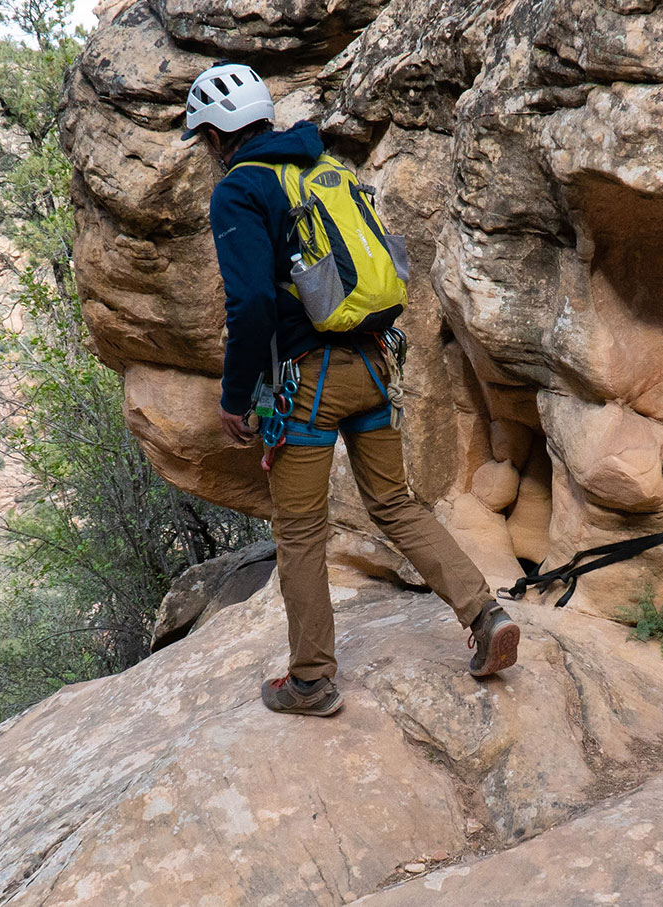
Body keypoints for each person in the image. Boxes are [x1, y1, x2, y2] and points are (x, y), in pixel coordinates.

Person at [183, 62, 520, 717]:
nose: (204, 153)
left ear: (221, 137)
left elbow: (251, 305)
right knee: (394, 504)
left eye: (203, 140)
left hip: (307, 382)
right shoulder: (321, 168)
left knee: (301, 532)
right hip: (371, 366)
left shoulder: (241, 190)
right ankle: (485, 615)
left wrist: (235, 396)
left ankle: (310, 681)